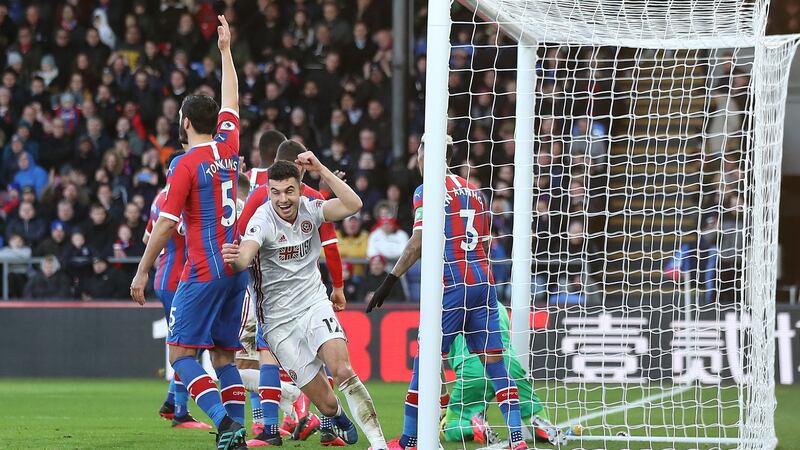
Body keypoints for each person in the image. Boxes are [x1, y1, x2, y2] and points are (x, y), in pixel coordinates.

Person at [129, 16, 249, 450]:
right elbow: (232, 99)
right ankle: (236, 435)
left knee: (181, 356)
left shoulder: (185, 165)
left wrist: (142, 271)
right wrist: (226, 52)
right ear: (213, 121)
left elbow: (164, 225)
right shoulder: (228, 146)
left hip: (204, 268)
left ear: (184, 124)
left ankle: (224, 423)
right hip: (238, 267)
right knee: (224, 356)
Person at [365, 135, 527, 449]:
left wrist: (389, 280)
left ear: (425, 153)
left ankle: (411, 439)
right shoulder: (476, 192)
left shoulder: (428, 190)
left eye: (420, 150)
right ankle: (517, 439)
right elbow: (481, 240)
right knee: (495, 362)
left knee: (426, 359)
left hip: (453, 286)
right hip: (484, 284)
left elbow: (418, 241)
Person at [222, 152, 387, 450]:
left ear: (300, 188)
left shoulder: (312, 210)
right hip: (278, 323)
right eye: (275, 192)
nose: (282, 199)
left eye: (289, 191)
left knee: (343, 370)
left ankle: (379, 444)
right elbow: (246, 252)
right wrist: (236, 261)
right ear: (268, 192)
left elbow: (354, 204)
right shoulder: (263, 220)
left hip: (314, 304)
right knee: (324, 404)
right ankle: (337, 415)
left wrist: (321, 169)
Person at [235, 139, 348, 446]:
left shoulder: (261, 192)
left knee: (264, 356)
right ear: (299, 166)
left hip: (268, 297)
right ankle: (325, 426)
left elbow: (239, 235)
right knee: (320, 355)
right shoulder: (309, 195)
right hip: (305, 294)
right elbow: (331, 247)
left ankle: (270, 427)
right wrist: (337, 286)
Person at [144, 150, 209, 429]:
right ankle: (179, 411)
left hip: (163, 276)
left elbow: (148, 236)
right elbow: (189, 230)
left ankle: (172, 402)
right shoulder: (183, 199)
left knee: (188, 344)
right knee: (188, 346)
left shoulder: (160, 198)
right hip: (180, 280)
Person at [441, 302, 563, 445]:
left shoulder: (449, 307)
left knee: (449, 427)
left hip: (473, 366)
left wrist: (444, 401)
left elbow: (437, 358)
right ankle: (540, 425)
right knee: (532, 412)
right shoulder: (499, 306)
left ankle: (475, 428)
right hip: (508, 364)